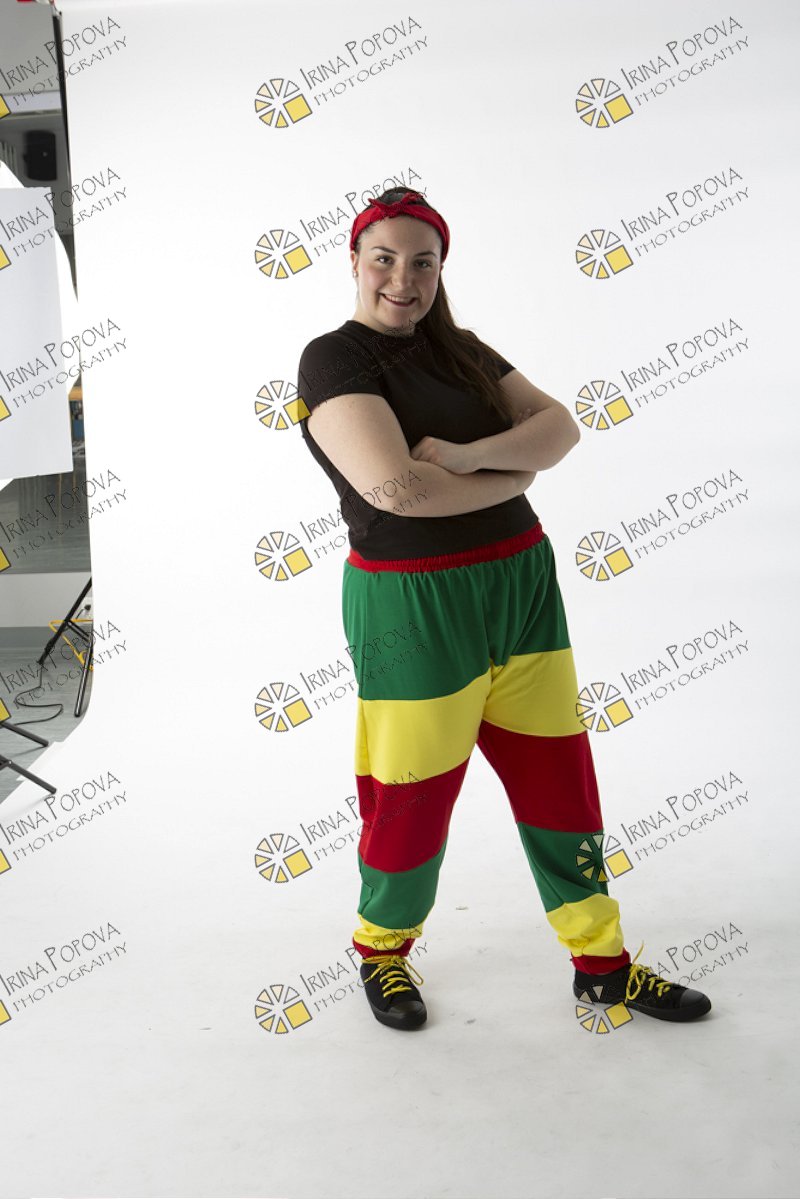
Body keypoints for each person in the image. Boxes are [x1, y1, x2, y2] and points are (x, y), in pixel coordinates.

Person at [296, 186, 712, 1032]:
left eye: (423, 262)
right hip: (413, 603)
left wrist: (472, 456)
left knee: (561, 783)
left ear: (441, 267)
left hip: (523, 584)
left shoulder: (462, 350)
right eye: (384, 259)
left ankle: (603, 966)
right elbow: (395, 491)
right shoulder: (334, 359)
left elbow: (559, 428)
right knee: (410, 793)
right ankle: (382, 949)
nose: (403, 280)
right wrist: (514, 475)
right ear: (354, 261)